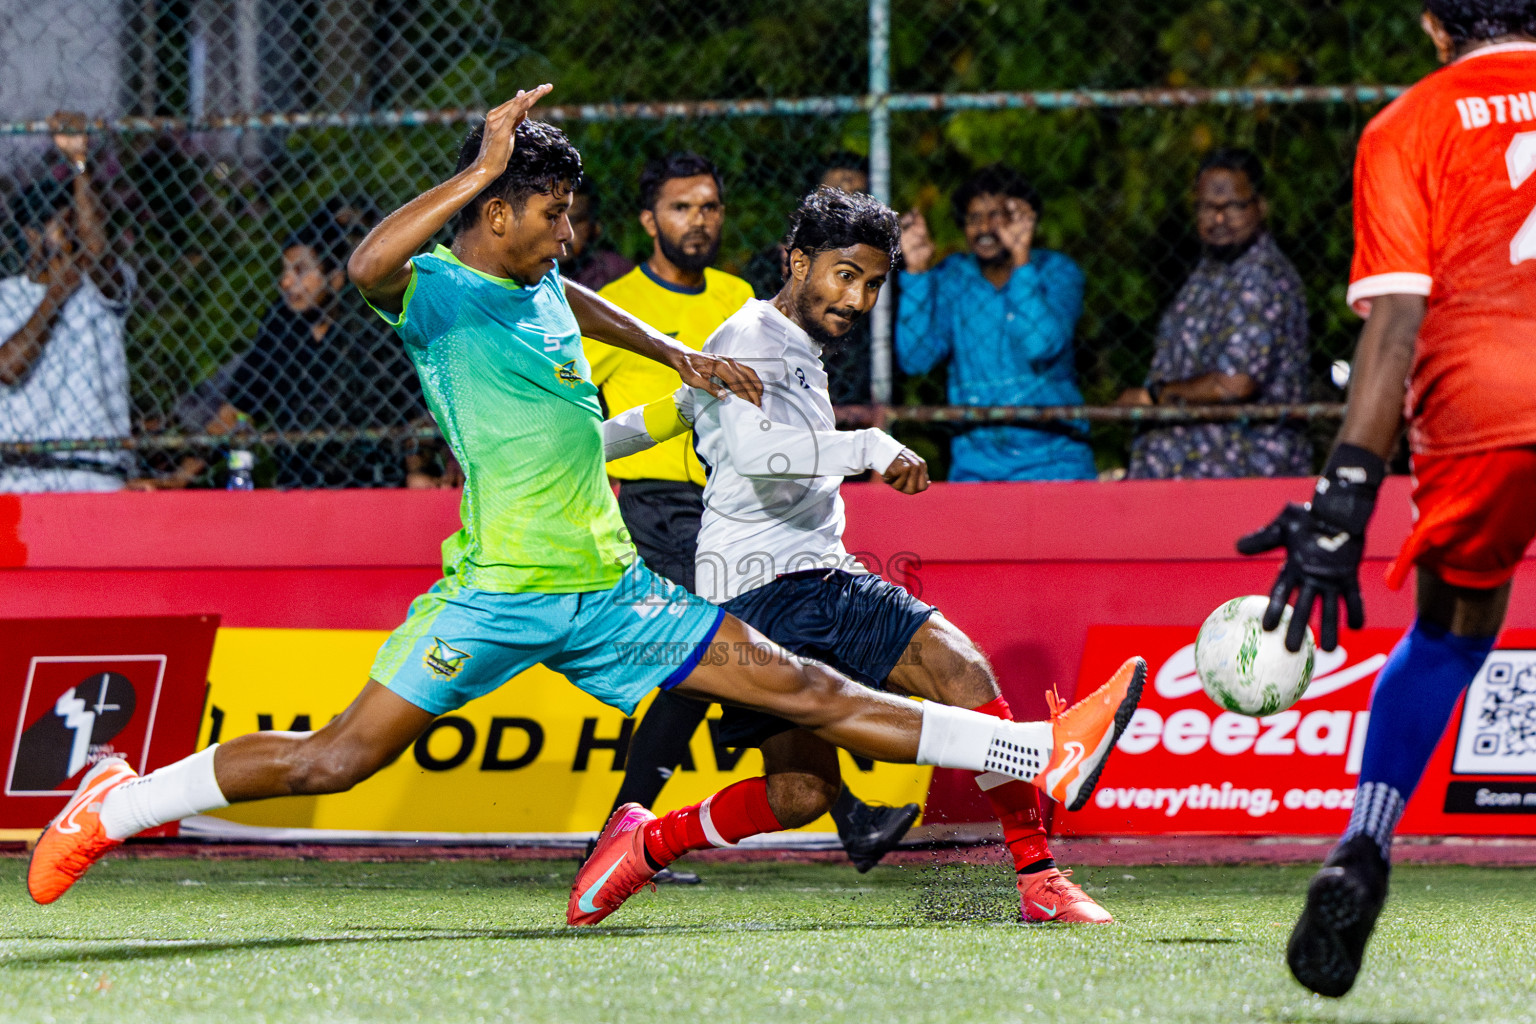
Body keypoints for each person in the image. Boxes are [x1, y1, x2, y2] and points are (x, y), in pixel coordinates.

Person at [27, 87, 1144, 919]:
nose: (566, 235)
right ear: (495, 209)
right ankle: (116, 801)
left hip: (615, 593)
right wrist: (478, 167)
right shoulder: (438, 293)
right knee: (335, 761)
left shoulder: (542, 283)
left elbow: (581, 301)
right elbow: (367, 265)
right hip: (498, 594)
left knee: (812, 692)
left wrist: (675, 354)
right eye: (550, 213)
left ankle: (1031, 751)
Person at [596, 187, 1120, 923]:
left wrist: (576, 449)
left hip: (779, 578)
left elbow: (675, 410)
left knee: (801, 793)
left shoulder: (790, 345)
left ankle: (644, 844)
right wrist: (868, 445)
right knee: (956, 671)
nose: (857, 299)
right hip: (775, 583)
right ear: (798, 261)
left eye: (872, 284)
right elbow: (756, 454)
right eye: (845, 275)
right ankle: (1041, 821)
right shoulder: (752, 334)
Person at [1237, 4, 1536, 998]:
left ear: (1434, 23)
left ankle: (1364, 846)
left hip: (1485, 399)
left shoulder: (1409, 123)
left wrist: (1341, 501)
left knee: (1450, 634)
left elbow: (1397, 322)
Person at [584, 152, 915, 880]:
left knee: (720, 666)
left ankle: (830, 809)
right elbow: (638, 411)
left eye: (709, 206)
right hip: (659, 511)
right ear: (649, 221)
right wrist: (569, 452)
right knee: (705, 665)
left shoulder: (744, 302)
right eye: (681, 207)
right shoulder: (613, 303)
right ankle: (624, 835)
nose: (698, 220)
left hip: (725, 503)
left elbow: (694, 404)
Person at [129, 207, 437, 489]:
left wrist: (418, 473)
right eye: (285, 272)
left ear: (334, 279)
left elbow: (409, 411)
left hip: (372, 482)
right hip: (298, 483)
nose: (286, 283)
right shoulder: (281, 326)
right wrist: (179, 479)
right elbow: (237, 410)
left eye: (300, 271)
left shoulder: (369, 327)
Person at [1117, 149, 1312, 478]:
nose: (1219, 219)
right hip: (1182, 469)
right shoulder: (1209, 271)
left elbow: (1234, 384)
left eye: (1233, 206)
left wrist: (1155, 396)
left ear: (1260, 206)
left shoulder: (1262, 276)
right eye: (1208, 207)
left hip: (1238, 469)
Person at [895, 165, 1096, 481]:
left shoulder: (1057, 272)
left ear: (1022, 219)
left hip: (1055, 458)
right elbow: (915, 359)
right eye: (974, 218)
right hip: (977, 465)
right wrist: (917, 273)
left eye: (997, 216)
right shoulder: (953, 278)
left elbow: (1040, 346)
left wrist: (1021, 260)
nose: (984, 228)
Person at [0, 112, 134, 492]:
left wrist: (79, 162)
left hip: (96, 472)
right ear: (32, 235)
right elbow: (9, 368)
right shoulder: (6, 296)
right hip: (23, 477)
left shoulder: (100, 286)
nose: (76, 236)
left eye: (79, 224)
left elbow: (98, 251)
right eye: (64, 226)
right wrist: (56, 294)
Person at [745, 152, 875, 404]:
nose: (847, 209)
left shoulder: (880, 273)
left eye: (858, 197)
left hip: (856, 405)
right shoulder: (769, 266)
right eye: (835, 197)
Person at [557, 178, 633, 290]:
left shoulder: (616, 273)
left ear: (595, 228)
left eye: (575, 221)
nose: (564, 232)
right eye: (553, 217)